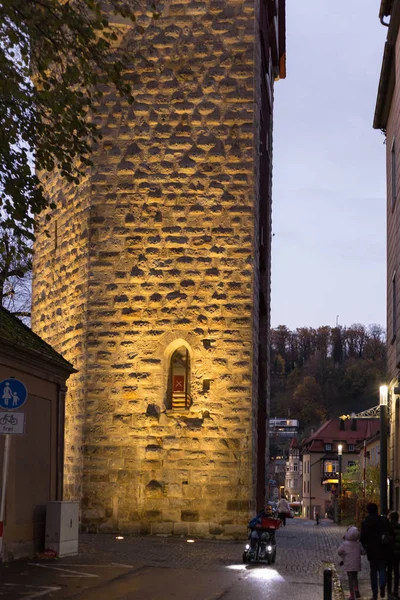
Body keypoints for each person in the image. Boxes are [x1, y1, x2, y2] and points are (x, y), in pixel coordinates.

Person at [360, 502, 392, 600]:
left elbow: (362, 538)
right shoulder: (383, 520)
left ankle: (374, 594)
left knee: (373, 572)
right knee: (382, 569)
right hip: (383, 549)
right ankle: (382, 585)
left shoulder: (365, 522)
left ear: (368, 510)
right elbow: (390, 533)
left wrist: (365, 547)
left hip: (371, 550)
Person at [338, 526, 363, 600]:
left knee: (350, 579)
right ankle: (356, 589)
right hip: (356, 564)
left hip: (348, 564)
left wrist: (343, 554)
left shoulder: (345, 544)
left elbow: (339, 551)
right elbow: (363, 552)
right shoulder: (358, 544)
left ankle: (352, 595)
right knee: (355, 577)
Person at [387, 511, 400, 598]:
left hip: (389, 553)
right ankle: (396, 590)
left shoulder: (387, 527)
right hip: (398, 553)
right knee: (396, 572)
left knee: (389, 571)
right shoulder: (399, 527)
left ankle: (389, 590)